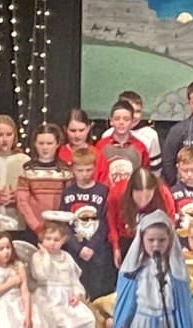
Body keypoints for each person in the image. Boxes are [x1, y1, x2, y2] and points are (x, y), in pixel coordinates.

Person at [30, 217, 101, 328]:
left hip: (66, 298)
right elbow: (41, 275)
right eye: (48, 239)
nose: (52, 243)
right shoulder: (38, 257)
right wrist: (45, 256)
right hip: (48, 297)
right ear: (42, 239)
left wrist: (76, 294)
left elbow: (74, 280)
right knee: (66, 326)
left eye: (56, 240)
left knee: (87, 319)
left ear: (63, 240)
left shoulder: (67, 257)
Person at [60, 146, 115, 299]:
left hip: (97, 251)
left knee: (97, 292)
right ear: (73, 169)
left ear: (95, 168)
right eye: (80, 170)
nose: (84, 174)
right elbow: (64, 223)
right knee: (76, 292)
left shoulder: (103, 191)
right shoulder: (67, 193)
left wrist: (91, 246)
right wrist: (78, 248)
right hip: (74, 251)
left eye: (88, 170)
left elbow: (105, 221)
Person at [106, 167, 176, 267]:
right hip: (127, 239)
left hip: (155, 238)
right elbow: (111, 222)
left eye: (148, 196)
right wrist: (115, 247)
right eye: (138, 197)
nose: (143, 201)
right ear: (131, 191)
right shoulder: (116, 194)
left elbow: (170, 222)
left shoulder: (163, 194)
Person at [15, 123, 73, 239]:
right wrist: (36, 226)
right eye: (41, 143)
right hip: (34, 229)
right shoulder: (28, 169)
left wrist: (62, 225)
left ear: (57, 144)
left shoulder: (65, 170)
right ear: (35, 144)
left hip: (59, 229)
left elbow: (69, 200)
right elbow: (22, 201)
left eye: (49, 143)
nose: (45, 147)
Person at [99, 90, 163, 175]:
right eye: (131, 111)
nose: (135, 115)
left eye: (138, 111)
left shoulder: (150, 134)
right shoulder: (107, 135)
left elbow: (155, 169)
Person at [95, 100, 152, 187]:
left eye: (126, 119)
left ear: (132, 121)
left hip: (131, 194)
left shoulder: (140, 147)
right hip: (106, 193)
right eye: (117, 119)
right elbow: (96, 176)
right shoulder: (101, 146)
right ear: (111, 121)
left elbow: (144, 178)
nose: (121, 122)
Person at [0, 114, 27, 212]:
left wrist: (18, 195)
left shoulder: (24, 160)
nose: (5, 139)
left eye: (9, 134)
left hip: (17, 215)